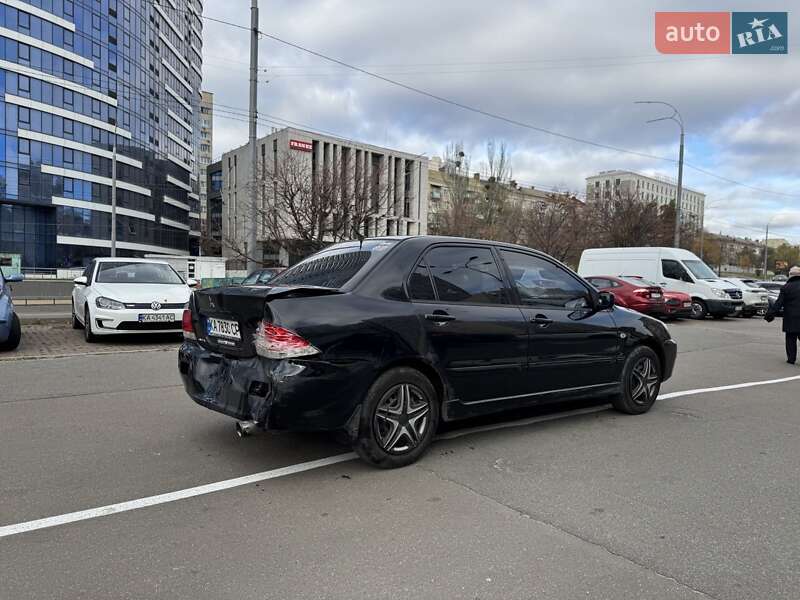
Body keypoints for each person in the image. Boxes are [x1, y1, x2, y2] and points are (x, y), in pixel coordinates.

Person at [765, 265, 800, 364]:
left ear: (790, 275)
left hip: (791, 318)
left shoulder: (786, 287)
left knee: (790, 339)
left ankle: (791, 359)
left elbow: (778, 304)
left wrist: (769, 315)